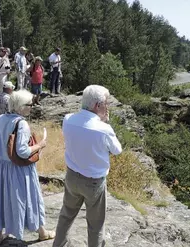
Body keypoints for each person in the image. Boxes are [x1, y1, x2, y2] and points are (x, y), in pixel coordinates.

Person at [53, 85, 122, 247]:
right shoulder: (104, 129)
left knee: (66, 215)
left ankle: (59, 245)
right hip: (93, 182)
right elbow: (117, 150)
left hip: (71, 176)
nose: (108, 106)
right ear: (98, 105)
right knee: (96, 225)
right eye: (106, 103)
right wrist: (104, 122)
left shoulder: (68, 119)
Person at [0, 90, 55, 245]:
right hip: (18, 170)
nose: (31, 107)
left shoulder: (0, 119)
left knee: (0, 200)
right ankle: (42, 232)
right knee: (30, 199)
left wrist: (0, 145)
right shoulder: (21, 124)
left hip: (1, 167)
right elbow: (22, 152)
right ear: (21, 107)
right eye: (29, 104)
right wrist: (40, 145)